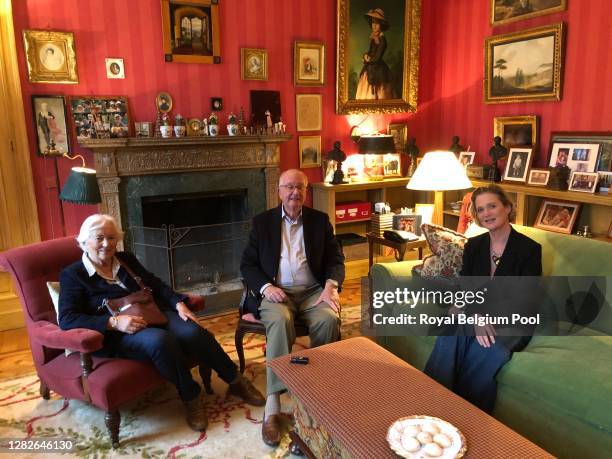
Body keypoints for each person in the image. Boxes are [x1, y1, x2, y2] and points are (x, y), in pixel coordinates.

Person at [58, 214, 265, 433]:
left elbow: (155, 284)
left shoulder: (125, 259)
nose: (106, 244)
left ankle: (235, 380)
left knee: (193, 332)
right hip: (120, 333)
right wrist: (113, 322)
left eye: (111, 238)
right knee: (160, 341)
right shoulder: (73, 275)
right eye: (99, 238)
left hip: (154, 313)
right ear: (83, 241)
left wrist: (178, 303)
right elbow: (68, 318)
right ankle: (191, 397)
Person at [240, 169, 344, 446]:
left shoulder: (320, 221)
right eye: (289, 187)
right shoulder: (262, 223)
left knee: (328, 320)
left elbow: (335, 258)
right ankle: (273, 404)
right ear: (279, 191)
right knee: (279, 321)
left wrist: (330, 286)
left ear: (306, 191)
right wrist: (266, 288)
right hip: (278, 293)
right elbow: (247, 264)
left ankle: (317, 392)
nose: (294, 192)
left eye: (299, 187)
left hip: (313, 292)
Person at [423, 185, 542, 413]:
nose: (487, 213)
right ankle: (433, 405)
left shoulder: (529, 249)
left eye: (492, 206)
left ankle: (467, 415)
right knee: (451, 333)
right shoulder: (474, 246)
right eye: (480, 209)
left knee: (488, 348)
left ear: (507, 207)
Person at [355, 8, 394, 100]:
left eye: (377, 24)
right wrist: (365, 56)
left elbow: (378, 56)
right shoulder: (374, 36)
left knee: (380, 91)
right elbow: (370, 51)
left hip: (378, 67)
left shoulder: (382, 39)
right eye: (373, 23)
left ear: (381, 25)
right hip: (370, 66)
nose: (374, 26)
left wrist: (369, 59)